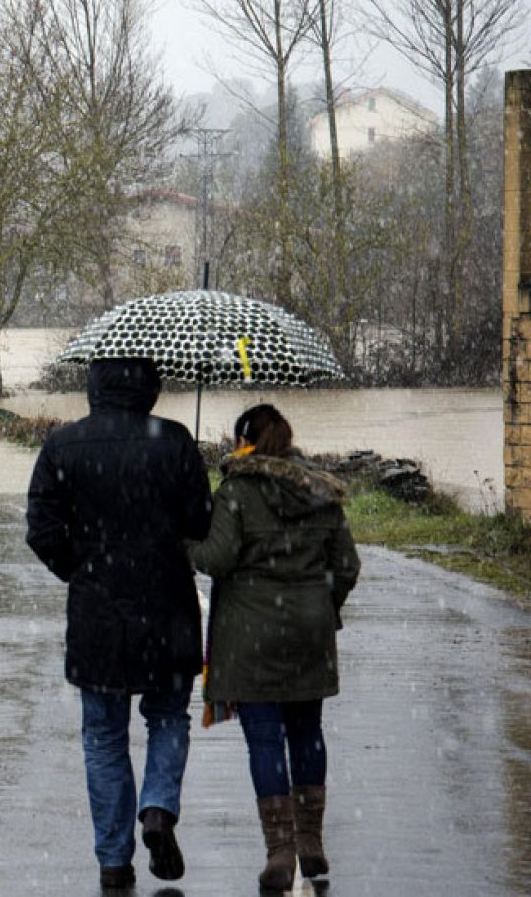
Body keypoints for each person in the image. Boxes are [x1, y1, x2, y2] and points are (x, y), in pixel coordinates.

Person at [25, 357, 212, 891]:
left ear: (94, 387)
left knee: (104, 736)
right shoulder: (174, 441)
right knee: (168, 717)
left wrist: (81, 569)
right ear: (151, 387)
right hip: (168, 606)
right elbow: (201, 521)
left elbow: (41, 528)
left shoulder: (64, 445)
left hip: (97, 614)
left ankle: (113, 859)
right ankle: (157, 809)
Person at [187, 404, 360, 891]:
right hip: (309, 630)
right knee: (307, 732)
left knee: (266, 740)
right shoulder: (322, 491)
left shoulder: (237, 491)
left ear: (244, 440)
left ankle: (280, 851)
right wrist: (323, 606)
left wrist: (187, 543)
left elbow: (217, 559)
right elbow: (346, 565)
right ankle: (311, 842)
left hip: (250, 636)